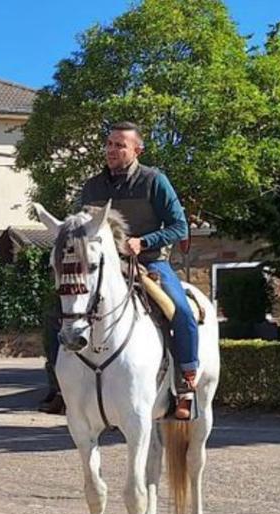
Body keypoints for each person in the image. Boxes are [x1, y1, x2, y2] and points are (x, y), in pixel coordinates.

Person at [78, 121, 197, 419]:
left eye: (120, 145)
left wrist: (143, 242)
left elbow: (179, 226)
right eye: (109, 144)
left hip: (149, 262)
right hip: (103, 265)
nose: (112, 150)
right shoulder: (92, 186)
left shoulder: (154, 181)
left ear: (137, 150)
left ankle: (185, 383)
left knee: (180, 310)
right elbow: (80, 224)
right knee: (60, 308)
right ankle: (59, 386)